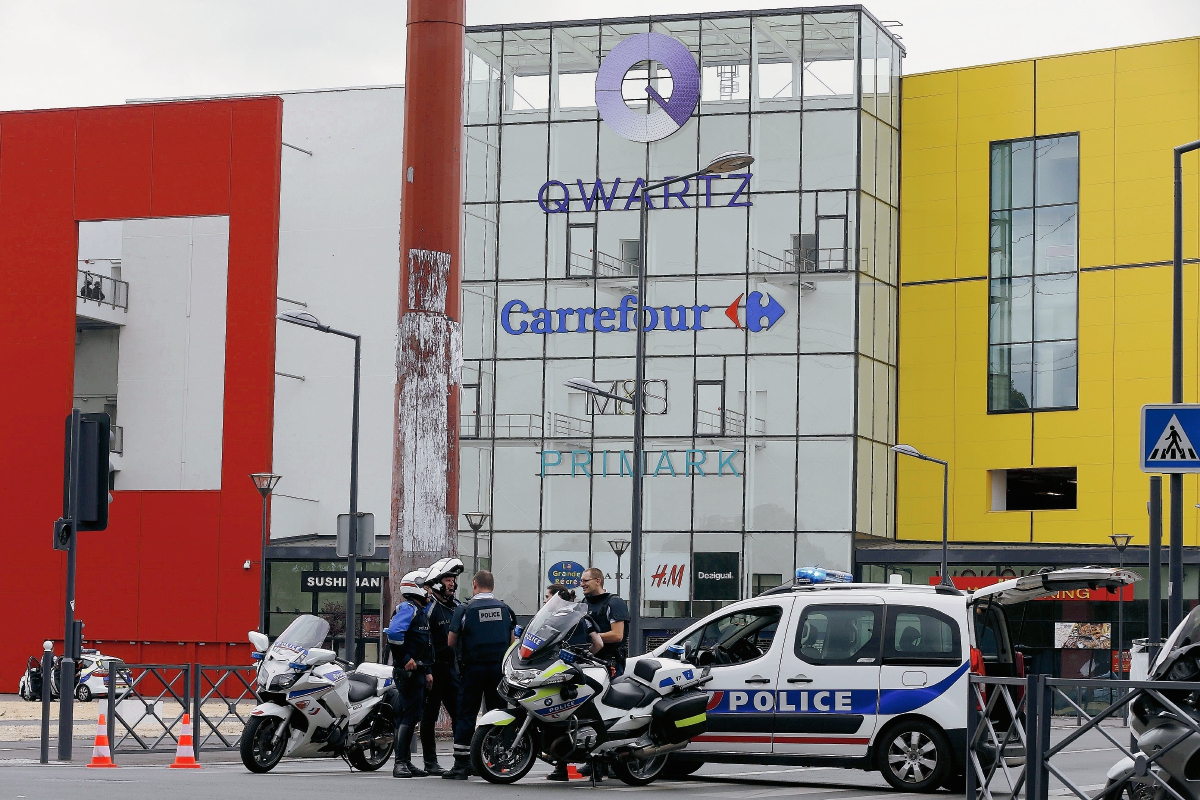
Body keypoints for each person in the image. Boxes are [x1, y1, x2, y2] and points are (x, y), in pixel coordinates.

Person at [442, 570, 516, 780]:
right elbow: (512, 641)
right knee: (498, 714)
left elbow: (451, 641)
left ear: (474, 584)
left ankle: (461, 765)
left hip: (472, 669)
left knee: (466, 714)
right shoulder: (505, 609)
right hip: (498, 671)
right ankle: (493, 760)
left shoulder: (464, 609)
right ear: (492, 586)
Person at [544, 584, 603, 783]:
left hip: (563, 673)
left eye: (547, 597)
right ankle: (593, 767)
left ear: (557, 599)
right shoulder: (581, 617)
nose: (545, 601)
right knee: (575, 717)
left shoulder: (556, 619)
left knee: (563, 716)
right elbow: (598, 644)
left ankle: (562, 766)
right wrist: (585, 659)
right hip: (576, 671)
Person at [385, 569, 434, 778]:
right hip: (408, 673)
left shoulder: (420, 610)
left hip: (420, 671)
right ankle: (400, 763)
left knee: (413, 716)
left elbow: (426, 646)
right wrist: (405, 659)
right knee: (407, 715)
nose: (430, 591)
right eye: (426, 587)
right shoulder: (408, 608)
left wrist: (428, 671)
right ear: (416, 588)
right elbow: (394, 634)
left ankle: (406, 761)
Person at [419, 557, 464, 776]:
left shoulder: (457, 607)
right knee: (429, 716)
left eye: (453, 580)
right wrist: (427, 670)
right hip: (434, 670)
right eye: (448, 579)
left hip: (452, 670)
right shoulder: (429, 608)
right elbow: (423, 640)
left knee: (459, 715)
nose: (452, 583)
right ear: (437, 582)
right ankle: (430, 762)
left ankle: (462, 760)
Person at [580, 567, 630, 676]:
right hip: (589, 661)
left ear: (598, 581)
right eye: (581, 581)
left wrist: (591, 638)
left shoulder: (614, 602)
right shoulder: (584, 603)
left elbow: (617, 635)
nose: (581, 584)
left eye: (585, 581)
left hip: (609, 663)